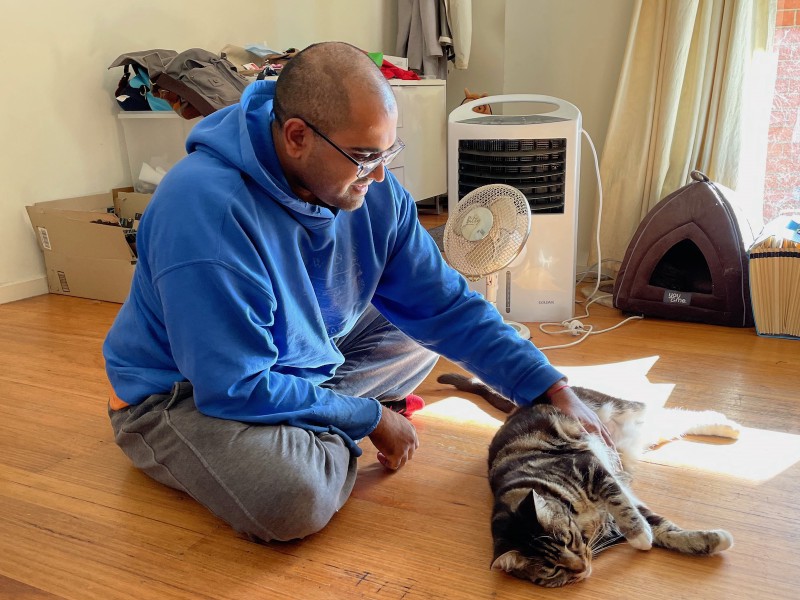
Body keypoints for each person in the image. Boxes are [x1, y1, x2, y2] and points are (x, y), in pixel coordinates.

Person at [103, 41, 612, 543]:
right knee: (289, 497)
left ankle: (310, 417)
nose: (382, 174)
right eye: (366, 156)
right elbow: (232, 387)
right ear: (297, 136)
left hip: (291, 358)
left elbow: (445, 305)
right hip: (184, 394)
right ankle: (316, 424)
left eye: (388, 151)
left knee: (417, 331)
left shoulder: (369, 187)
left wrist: (550, 387)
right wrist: (368, 416)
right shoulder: (205, 213)